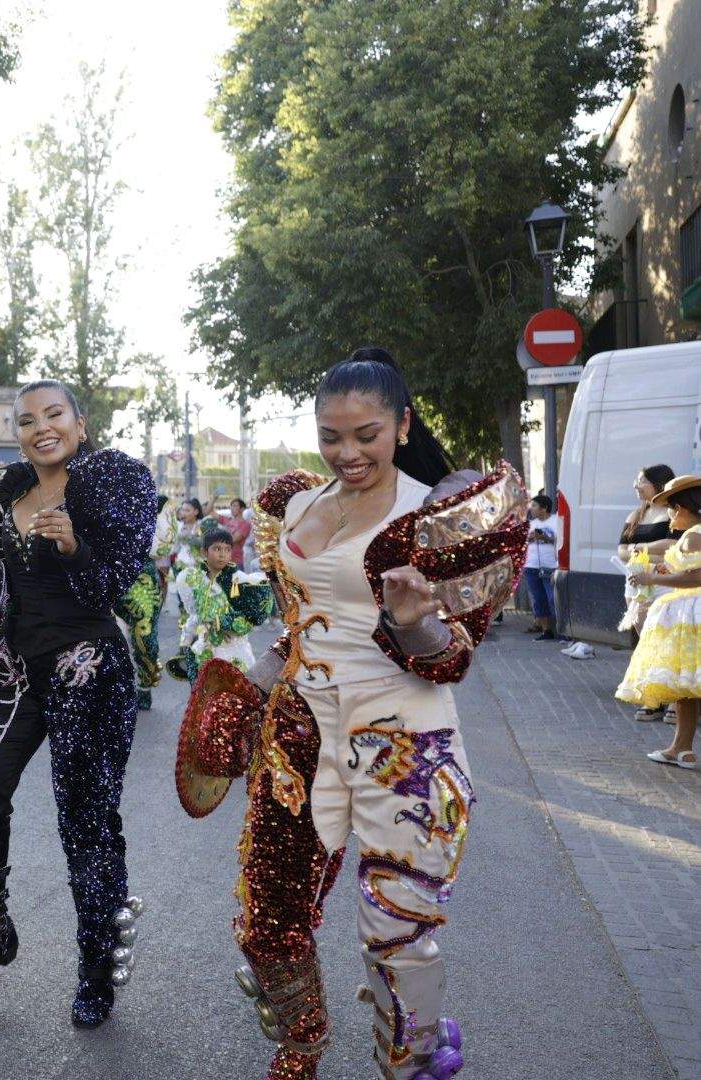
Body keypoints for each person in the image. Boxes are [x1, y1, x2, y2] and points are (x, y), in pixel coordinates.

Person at [178, 348, 525, 1080]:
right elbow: (301, 619)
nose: (347, 452)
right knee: (269, 919)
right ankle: (302, 1039)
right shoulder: (295, 505)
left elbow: (451, 658)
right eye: (330, 436)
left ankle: (411, 1062)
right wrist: (257, 681)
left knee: (393, 931)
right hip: (299, 734)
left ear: (401, 426)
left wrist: (411, 621)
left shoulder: (433, 518)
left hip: (401, 737)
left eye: (365, 434)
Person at [0, 379, 157, 1029]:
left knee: (84, 822)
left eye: (54, 414)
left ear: (80, 423)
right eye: (28, 419)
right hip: (15, 662)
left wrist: (71, 543)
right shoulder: (5, 493)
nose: (42, 426)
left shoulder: (108, 486)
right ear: (16, 433)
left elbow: (112, 588)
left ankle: (95, 968)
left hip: (87, 664)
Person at [619, 476, 701, 767]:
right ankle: (681, 748)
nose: (668, 515)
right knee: (686, 688)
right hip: (686, 614)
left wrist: (652, 576)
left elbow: (696, 577)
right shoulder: (692, 535)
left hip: (692, 615)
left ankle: (681, 747)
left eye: (671, 508)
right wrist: (655, 569)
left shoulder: (694, 535)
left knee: (688, 685)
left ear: (683, 508)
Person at [165, 525, 273, 681]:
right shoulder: (194, 580)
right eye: (217, 549)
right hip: (205, 651)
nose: (222, 554)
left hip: (236, 652)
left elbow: (249, 620)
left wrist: (225, 622)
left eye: (227, 549)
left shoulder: (241, 581)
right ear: (204, 552)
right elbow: (195, 615)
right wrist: (186, 642)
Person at [114, 493, 171, 710]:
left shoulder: (158, 504)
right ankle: (116, 688)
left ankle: (144, 686)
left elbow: (162, 547)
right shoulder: (101, 500)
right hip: (109, 575)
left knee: (145, 638)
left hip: (142, 581)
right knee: (107, 637)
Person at [523, 493, 562, 642]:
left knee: (553, 598)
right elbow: (524, 543)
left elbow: (561, 542)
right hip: (532, 566)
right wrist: (529, 538)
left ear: (544, 508)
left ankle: (562, 631)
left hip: (551, 566)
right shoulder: (531, 524)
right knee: (538, 599)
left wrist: (546, 538)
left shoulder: (556, 522)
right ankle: (546, 631)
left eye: (534, 505)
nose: (531, 508)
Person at [220, 497, 252, 568]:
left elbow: (233, 539)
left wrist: (220, 536)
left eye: (234, 505)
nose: (231, 508)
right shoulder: (228, 520)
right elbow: (209, 513)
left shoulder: (245, 524)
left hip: (236, 562)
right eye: (231, 506)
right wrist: (212, 499)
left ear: (242, 509)